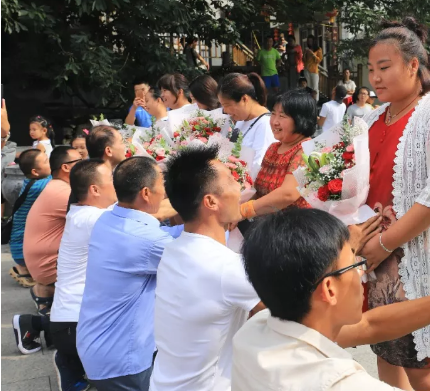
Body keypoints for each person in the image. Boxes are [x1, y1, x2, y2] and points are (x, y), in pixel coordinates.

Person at [233, 208, 430, 391]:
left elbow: (369, 326)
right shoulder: (340, 384)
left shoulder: (257, 329)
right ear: (329, 290)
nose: (362, 275)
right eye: (355, 264)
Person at [361, 18, 430, 391]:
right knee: (386, 355)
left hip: (415, 258)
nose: (375, 78)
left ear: (412, 66)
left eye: (385, 68)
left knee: (424, 368)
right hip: (374, 259)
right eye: (371, 70)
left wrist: (384, 243)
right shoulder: (372, 118)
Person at [151, 146, 263, 391]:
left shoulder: (172, 251)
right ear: (211, 201)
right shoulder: (227, 268)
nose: (239, 187)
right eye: (233, 180)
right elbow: (296, 316)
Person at [76, 157, 183, 391]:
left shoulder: (108, 218)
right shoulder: (143, 240)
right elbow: (192, 255)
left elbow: (167, 236)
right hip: (123, 360)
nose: (164, 192)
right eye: (162, 184)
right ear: (146, 193)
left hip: (97, 347)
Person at [13, 159, 116, 391]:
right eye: (111, 179)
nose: (116, 184)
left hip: (69, 318)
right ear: (95, 189)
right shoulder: (92, 218)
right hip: (76, 324)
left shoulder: (84, 209)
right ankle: (69, 359)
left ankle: (68, 360)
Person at [236, 91, 316, 222]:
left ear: (301, 119)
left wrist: (243, 211)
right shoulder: (273, 148)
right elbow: (260, 190)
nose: (274, 122)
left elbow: (288, 194)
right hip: (266, 225)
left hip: (293, 228)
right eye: (273, 114)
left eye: (282, 116)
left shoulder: (307, 150)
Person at [23, 146, 82, 315]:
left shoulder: (59, 187)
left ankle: (45, 293)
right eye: (80, 161)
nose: (85, 165)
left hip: (44, 260)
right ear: (66, 167)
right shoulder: (63, 192)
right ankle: (47, 296)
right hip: (48, 264)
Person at [218, 73, 275, 179]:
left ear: (244, 99)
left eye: (227, 105)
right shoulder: (241, 120)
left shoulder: (265, 124)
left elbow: (258, 166)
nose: (225, 111)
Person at [8, 149, 52, 288]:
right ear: (35, 172)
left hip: (20, 243)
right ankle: (22, 269)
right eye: (46, 161)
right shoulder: (38, 186)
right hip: (21, 248)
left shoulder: (32, 182)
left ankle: (25, 268)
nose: (50, 163)